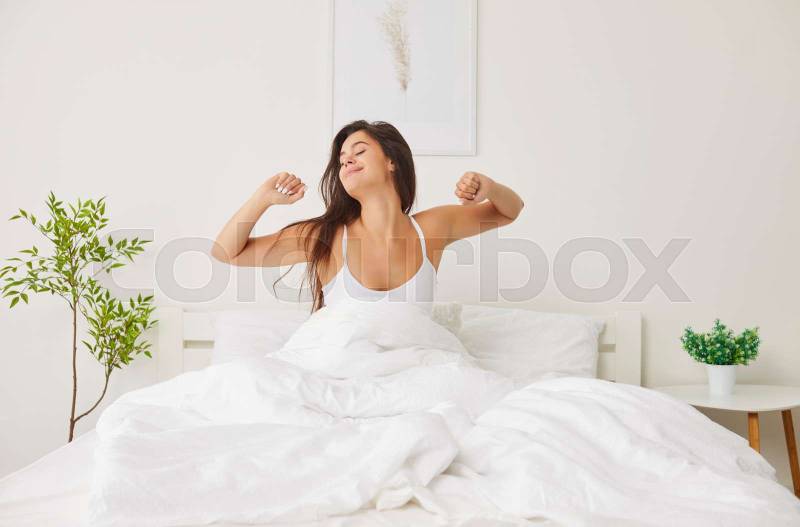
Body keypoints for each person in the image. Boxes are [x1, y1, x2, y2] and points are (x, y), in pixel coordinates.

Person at [211, 120, 525, 313]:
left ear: (392, 162)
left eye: (359, 152)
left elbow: (509, 210)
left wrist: (489, 187)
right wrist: (262, 199)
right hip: (343, 377)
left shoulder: (431, 228)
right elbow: (225, 253)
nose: (347, 161)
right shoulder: (326, 236)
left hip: (413, 376)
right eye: (342, 160)